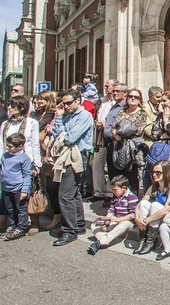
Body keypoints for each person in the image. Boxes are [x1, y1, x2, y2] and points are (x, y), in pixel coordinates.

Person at [0, 96, 41, 236]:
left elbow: (35, 144)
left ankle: (33, 222)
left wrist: (36, 164)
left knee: (27, 193)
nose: (9, 108)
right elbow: (0, 144)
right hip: (8, 162)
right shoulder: (6, 124)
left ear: (21, 108)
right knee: (9, 194)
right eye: (9, 105)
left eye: (13, 106)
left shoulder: (31, 123)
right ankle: (8, 223)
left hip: (25, 160)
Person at [51, 89, 94, 247]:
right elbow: (56, 133)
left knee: (65, 194)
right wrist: (59, 117)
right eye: (64, 103)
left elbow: (70, 138)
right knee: (73, 192)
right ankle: (79, 224)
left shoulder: (84, 116)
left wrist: (62, 134)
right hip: (66, 155)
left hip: (77, 156)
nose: (66, 106)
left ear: (78, 100)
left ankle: (69, 230)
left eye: (69, 102)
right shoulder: (65, 115)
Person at [133, 161, 170, 255]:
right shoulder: (154, 186)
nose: (154, 174)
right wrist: (137, 218)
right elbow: (139, 205)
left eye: (158, 172)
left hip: (166, 217)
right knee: (144, 203)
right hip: (153, 219)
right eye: (153, 172)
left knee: (154, 205)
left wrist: (146, 220)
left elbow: (166, 210)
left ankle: (151, 240)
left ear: (166, 173)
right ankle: (142, 238)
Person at [88, 175, 138, 255]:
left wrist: (119, 220)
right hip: (114, 218)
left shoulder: (132, 198)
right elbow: (112, 208)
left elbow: (133, 215)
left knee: (122, 226)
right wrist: (108, 216)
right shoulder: (115, 196)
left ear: (124, 188)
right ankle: (107, 238)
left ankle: (100, 242)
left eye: (115, 190)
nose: (114, 192)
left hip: (126, 220)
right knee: (94, 224)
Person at [111, 88, 148, 195]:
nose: (133, 98)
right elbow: (114, 127)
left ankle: (132, 204)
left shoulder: (142, 113)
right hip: (119, 147)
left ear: (140, 100)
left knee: (131, 178)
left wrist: (120, 132)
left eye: (136, 97)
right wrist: (115, 133)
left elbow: (138, 130)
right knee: (119, 177)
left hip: (133, 150)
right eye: (131, 96)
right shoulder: (122, 111)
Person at [31, 90, 58, 234]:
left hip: (47, 149)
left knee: (49, 181)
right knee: (41, 179)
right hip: (39, 148)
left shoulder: (50, 113)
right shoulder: (37, 112)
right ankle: (48, 206)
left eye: (42, 99)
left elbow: (35, 126)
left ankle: (54, 210)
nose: (39, 102)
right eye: (38, 99)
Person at [0, 133, 33, 240]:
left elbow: (27, 175)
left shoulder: (24, 158)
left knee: (21, 208)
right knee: (10, 208)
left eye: (10, 146)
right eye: (7, 145)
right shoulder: (5, 155)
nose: (8, 148)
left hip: (18, 188)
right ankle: (12, 225)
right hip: (6, 187)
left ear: (20, 146)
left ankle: (22, 227)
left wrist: (24, 190)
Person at [93, 79, 116, 201]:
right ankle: (98, 191)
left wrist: (106, 123)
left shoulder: (116, 103)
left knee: (110, 163)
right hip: (99, 135)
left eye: (108, 86)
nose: (106, 88)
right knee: (97, 163)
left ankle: (109, 191)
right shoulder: (103, 101)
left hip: (110, 136)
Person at [102, 83, 127, 183]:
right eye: (114, 91)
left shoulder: (124, 107)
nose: (115, 93)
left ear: (125, 93)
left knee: (118, 173)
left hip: (118, 144)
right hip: (109, 143)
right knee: (111, 171)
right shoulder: (113, 106)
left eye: (118, 91)